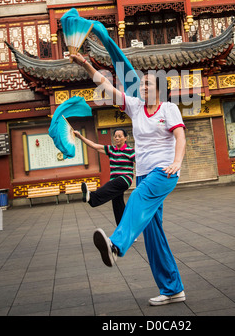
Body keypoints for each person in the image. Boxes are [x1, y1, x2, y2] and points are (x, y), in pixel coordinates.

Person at [71, 53, 186, 306]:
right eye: (141, 83)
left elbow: (180, 138)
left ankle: (116, 246)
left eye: (148, 84)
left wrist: (177, 162)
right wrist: (85, 65)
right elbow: (106, 85)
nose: (142, 86)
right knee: (153, 235)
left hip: (164, 172)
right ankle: (173, 289)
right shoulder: (135, 106)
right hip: (144, 173)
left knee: (136, 196)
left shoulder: (169, 109)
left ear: (160, 89)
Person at [73, 128, 135, 225]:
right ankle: (124, 231)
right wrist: (80, 137)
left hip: (125, 179)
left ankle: (92, 197)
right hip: (114, 181)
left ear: (125, 138)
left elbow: (141, 161)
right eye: (115, 136)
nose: (117, 138)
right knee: (118, 205)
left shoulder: (130, 151)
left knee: (113, 184)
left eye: (120, 136)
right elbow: (94, 146)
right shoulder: (111, 149)